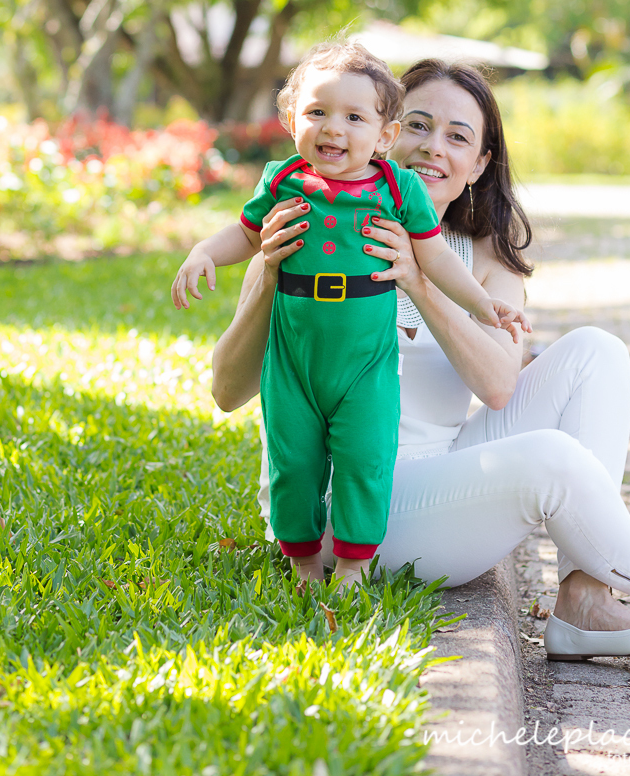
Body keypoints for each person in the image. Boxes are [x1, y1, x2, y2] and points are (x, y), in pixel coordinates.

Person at [211, 57, 630, 659]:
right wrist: (269, 276)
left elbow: (499, 386)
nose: (433, 148)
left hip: (443, 483)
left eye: (458, 137)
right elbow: (227, 391)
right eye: (419, 125)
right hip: (341, 507)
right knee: (550, 458)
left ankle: (585, 599)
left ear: (478, 165)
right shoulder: (305, 230)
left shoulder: (481, 257)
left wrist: (418, 279)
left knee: (596, 352)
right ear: (387, 133)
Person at [172, 43, 528, 588]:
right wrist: (217, 257)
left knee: (364, 453)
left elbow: (436, 259)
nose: (334, 128)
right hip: (296, 361)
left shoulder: (400, 194)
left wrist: (481, 304)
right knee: (295, 458)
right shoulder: (284, 190)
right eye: (317, 112)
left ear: (382, 134)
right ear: (291, 120)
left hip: (369, 374)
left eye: (354, 118)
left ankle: (354, 569)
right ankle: (304, 563)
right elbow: (242, 236)